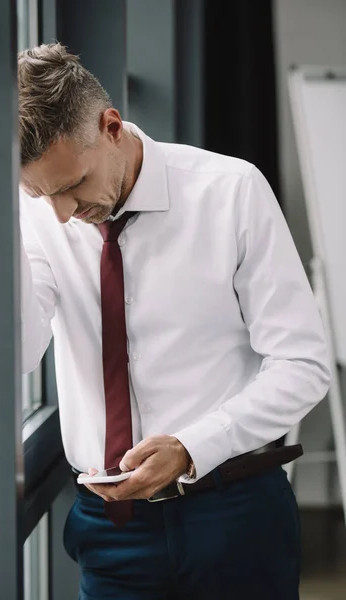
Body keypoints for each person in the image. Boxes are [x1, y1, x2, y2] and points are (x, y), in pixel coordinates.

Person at [18, 43, 330, 600]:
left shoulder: (231, 191)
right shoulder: (40, 216)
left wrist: (191, 446)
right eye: (41, 194)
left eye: (72, 186)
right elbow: (15, 357)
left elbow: (302, 364)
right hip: (109, 529)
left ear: (111, 127)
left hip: (233, 512)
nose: (62, 212)